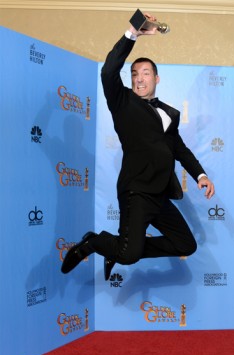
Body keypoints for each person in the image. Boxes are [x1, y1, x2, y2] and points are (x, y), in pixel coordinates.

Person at [61, 13, 215, 281]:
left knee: (186, 245)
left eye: (146, 74)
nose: (140, 79)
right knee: (129, 255)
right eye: (135, 74)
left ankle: (117, 248)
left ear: (157, 78)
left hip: (160, 195)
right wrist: (133, 32)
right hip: (136, 192)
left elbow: (180, 149)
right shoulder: (123, 103)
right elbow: (109, 71)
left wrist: (200, 175)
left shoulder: (170, 114)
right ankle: (95, 243)